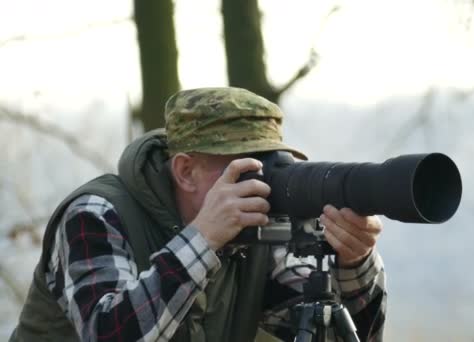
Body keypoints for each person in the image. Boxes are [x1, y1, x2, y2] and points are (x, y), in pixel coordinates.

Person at [11, 87, 387, 341]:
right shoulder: (97, 214)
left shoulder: (254, 233)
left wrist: (354, 265)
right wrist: (202, 240)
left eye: (270, 167)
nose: (260, 184)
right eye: (244, 169)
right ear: (185, 171)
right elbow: (110, 333)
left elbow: (316, 331)